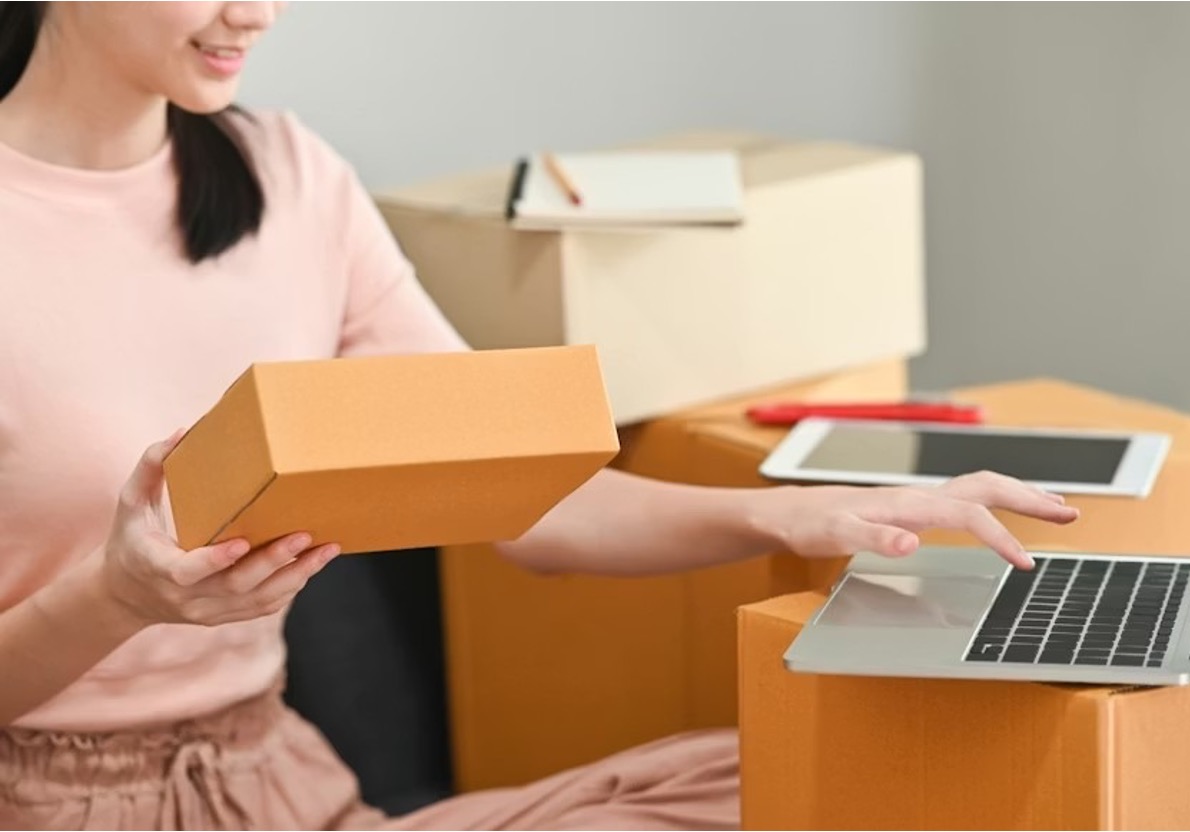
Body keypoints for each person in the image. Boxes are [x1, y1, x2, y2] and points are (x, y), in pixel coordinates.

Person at [0, 3, 1079, 830]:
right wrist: (114, 598)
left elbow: (530, 506)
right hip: (47, 798)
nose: (260, 13)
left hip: (285, 791)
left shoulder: (290, 179)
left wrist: (800, 515)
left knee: (801, 777)